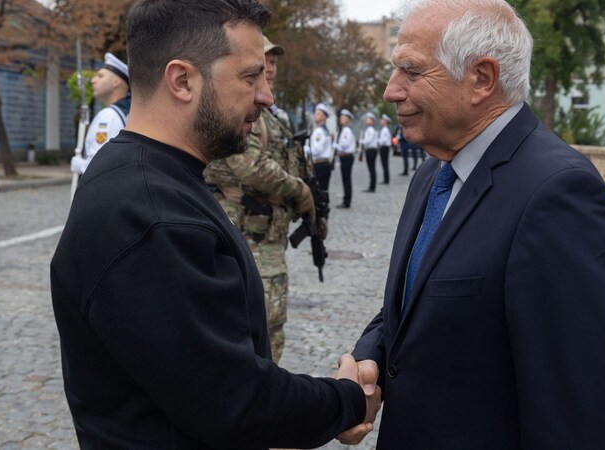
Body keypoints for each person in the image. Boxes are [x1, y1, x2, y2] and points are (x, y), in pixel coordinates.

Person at [51, 0, 380, 447]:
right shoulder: (150, 213)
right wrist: (346, 401)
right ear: (182, 80)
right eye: (249, 77)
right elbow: (235, 402)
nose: (265, 95)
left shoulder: (148, 176)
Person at [350, 0, 605, 447]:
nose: (391, 90)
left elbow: (581, 408)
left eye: (411, 71)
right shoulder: (434, 171)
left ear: (481, 79)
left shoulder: (558, 194)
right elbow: (417, 302)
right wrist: (369, 359)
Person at [203, 35, 314, 364]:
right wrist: (300, 190)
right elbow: (250, 167)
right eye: (263, 61)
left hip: (267, 237)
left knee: (269, 329)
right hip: (246, 236)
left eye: (274, 61)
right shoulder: (236, 110)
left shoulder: (271, 113)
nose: (271, 68)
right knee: (258, 333)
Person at [70, 52, 131, 176]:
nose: (93, 80)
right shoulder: (129, 111)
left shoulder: (108, 116)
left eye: (100, 76)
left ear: (115, 82)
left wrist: (80, 165)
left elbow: (99, 165)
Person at [305, 102, 333, 193]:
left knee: (319, 192)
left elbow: (316, 150)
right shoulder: (324, 130)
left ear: (324, 117)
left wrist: (305, 149)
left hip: (319, 165)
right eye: (315, 113)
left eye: (318, 114)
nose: (315, 115)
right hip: (323, 164)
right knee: (323, 191)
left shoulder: (319, 131)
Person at [334, 108, 356, 208]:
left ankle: (347, 201)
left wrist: (334, 144)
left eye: (344, 118)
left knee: (346, 179)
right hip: (345, 157)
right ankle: (346, 199)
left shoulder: (346, 131)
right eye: (341, 117)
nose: (341, 119)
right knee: (345, 179)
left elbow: (344, 145)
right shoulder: (344, 130)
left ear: (348, 119)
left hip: (346, 157)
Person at [360, 112, 378, 192]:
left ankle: (372, 187)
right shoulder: (369, 129)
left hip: (371, 150)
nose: (366, 120)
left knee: (371, 169)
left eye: (368, 119)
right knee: (371, 169)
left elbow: (368, 141)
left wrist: (361, 141)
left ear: (372, 121)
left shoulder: (370, 130)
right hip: (370, 150)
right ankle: (371, 186)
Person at [377, 113, 392, 184]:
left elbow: (383, 141)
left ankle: (386, 179)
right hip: (384, 148)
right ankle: (386, 178)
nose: (381, 121)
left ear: (385, 121)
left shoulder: (385, 130)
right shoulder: (384, 129)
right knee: (384, 164)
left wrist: (377, 141)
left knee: (385, 164)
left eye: (382, 120)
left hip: (384, 148)